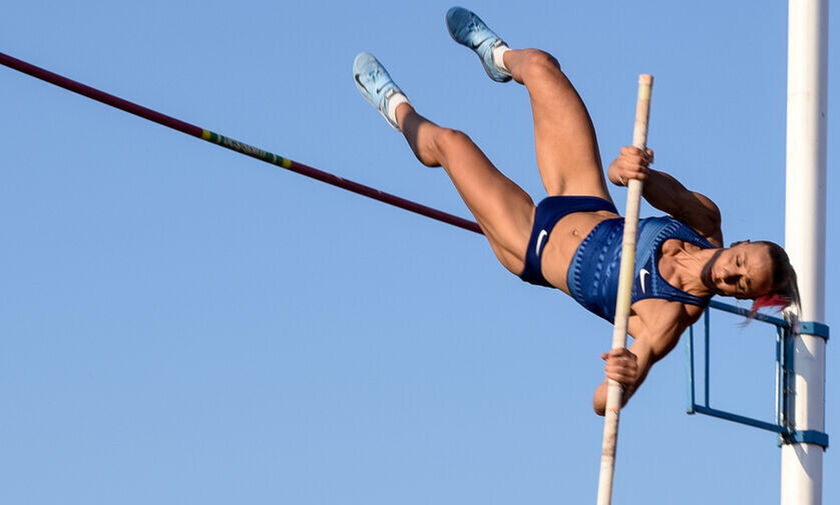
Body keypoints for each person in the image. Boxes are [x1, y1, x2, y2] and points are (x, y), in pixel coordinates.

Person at [352, 7, 800, 415]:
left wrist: (620, 380)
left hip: (530, 242)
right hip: (584, 199)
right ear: (740, 245)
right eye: (741, 263)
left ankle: (396, 107)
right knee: (543, 66)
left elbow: (602, 403)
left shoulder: (670, 317)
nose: (731, 276)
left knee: (451, 144)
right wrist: (630, 170)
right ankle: (497, 56)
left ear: (739, 296)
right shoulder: (705, 222)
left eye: (741, 286)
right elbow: (640, 182)